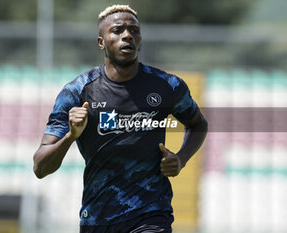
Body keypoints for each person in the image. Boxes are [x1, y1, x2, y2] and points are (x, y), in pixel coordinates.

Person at [33, 4, 208, 233]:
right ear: (101, 42)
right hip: (98, 218)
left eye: (133, 30)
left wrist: (182, 158)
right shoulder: (78, 92)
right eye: (117, 31)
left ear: (140, 39)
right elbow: (40, 167)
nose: (127, 35)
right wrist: (70, 136)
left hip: (152, 214)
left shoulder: (167, 86)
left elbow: (198, 124)